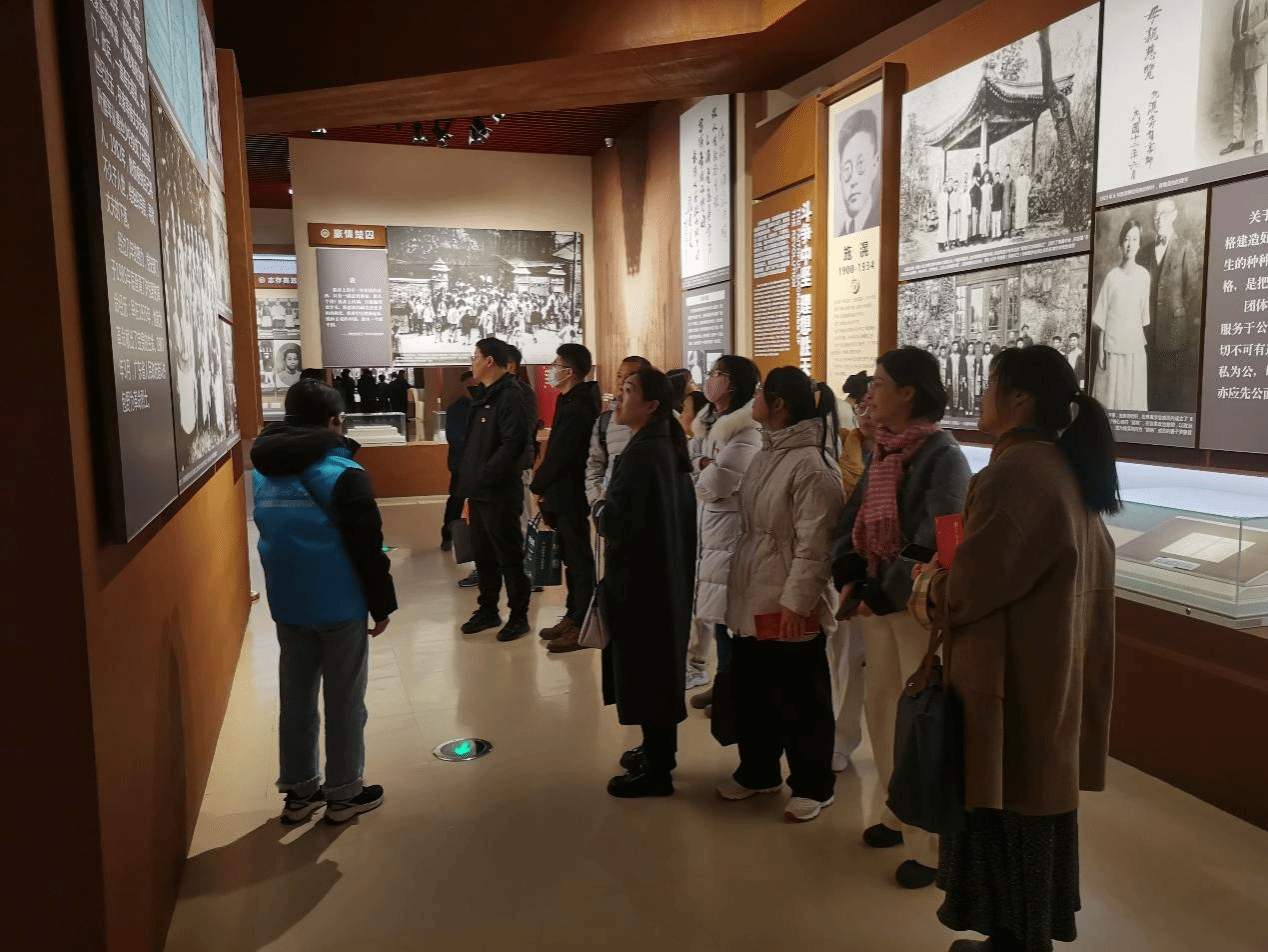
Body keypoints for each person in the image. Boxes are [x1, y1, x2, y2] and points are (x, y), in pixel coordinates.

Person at [911, 345, 1118, 952]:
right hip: (1044, 683)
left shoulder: (1018, 474)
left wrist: (926, 586)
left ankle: (1015, 943)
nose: (980, 395)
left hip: (1012, 692)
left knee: (1006, 815)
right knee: (1029, 818)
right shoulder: (1061, 466)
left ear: (1020, 397)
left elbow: (969, 589)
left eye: (991, 383)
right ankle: (1013, 940)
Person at [831, 346, 971, 890]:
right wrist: (850, 568)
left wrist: (882, 589)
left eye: (881, 384)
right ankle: (898, 809)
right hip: (876, 602)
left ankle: (930, 845)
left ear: (909, 392)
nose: (871, 395)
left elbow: (943, 540)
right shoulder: (886, 448)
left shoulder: (943, 456)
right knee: (882, 712)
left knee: (916, 723)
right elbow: (855, 516)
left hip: (914, 611)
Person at [251, 378, 396, 825]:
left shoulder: (262, 472)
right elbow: (368, 548)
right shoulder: (343, 474)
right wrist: (382, 604)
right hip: (339, 604)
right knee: (344, 700)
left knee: (295, 698)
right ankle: (345, 793)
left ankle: (299, 792)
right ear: (335, 422)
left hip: (288, 603)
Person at [718, 368, 845, 822]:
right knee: (754, 690)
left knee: (800, 697)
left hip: (786, 602)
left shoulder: (812, 465)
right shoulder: (767, 453)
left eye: (760, 392)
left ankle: (813, 784)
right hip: (753, 593)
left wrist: (797, 603)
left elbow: (815, 545)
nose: (753, 398)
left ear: (779, 404)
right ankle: (758, 771)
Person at [600, 369, 697, 798]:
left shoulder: (644, 453)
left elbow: (618, 520)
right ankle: (658, 752)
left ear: (652, 405)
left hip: (642, 584)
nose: (618, 399)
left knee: (647, 671)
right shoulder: (660, 444)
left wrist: (599, 511)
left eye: (628, 391)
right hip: (661, 578)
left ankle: (657, 772)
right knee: (658, 668)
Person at [685, 356, 762, 717]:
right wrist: (704, 466)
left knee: (733, 620)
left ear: (733, 383)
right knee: (717, 615)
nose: (711, 378)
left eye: (718, 373)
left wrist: (702, 469)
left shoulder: (747, 429)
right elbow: (690, 462)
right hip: (710, 530)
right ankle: (723, 684)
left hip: (732, 531)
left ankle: (735, 692)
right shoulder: (708, 422)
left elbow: (718, 484)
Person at [458, 338, 534, 642]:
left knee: (508, 555)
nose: (472, 363)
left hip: (499, 491)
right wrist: (471, 482)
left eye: (475, 357)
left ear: (489, 360)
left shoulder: (511, 394)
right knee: (484, 555)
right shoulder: (485, 395)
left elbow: (513, 444)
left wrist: (485, 474)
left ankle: (519, 616)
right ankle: (488, 609)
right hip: (479, 491)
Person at [532, 345, 603, 652]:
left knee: (578, 559)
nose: (551, 370)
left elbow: (562, 453)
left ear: (569, 371)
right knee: (570, 559)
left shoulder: (579, 407)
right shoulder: (569, 400)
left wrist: (538, 482)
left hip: (571, 492)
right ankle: (573, 614)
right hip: (561, 492)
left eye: (556, 365)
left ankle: (583, 623)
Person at [832, 372, 875, 774]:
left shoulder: (930, 454)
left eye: (877, 396)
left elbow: (946, 525)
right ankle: (839, 739)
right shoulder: (846, 443)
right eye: (864, 400)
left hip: (894, 582)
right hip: (849, 571)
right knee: (844, 659)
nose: (866, 406)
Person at [1137, 198, 1202, 411]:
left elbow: (1192, 291)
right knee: (1148, 388)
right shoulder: (1144, 251)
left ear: (1174, 215)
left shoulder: (1184, 247)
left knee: (1171, 391)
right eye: (1155, 214)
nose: (1159, 218)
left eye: (1164, 213)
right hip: (1147, 331)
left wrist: (1177, 315)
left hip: (1175, 332)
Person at [1091, 218, 1151, 411]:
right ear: (1120, 243)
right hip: (1112, 350)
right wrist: (1101, 351)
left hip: (1134, 350)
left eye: (1134, 239)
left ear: (1139, 243)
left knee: (1132, 401)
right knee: (1110, 402)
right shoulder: (1112, 277)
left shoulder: (1144, 276)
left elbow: (1143, 317)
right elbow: (1101, 318)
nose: (1130, 244)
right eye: (1126, 239)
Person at [585, 355, 653, 518]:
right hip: (612, 508)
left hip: (648, 510)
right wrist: (597, 502)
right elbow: (595, 464)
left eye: (630, 376)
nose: (622, 382)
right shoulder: (606, 420)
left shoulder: (663, 418)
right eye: (619, 376)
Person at [681, 389, 715, 689]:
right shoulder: (691, 443)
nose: (682, 414)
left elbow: (706, 483)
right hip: (694, 531)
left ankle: (698, 664)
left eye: (686, 409)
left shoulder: (709, 441)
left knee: (703, 604)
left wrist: (700, 465)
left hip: (709, 534)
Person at [506, 345, 541, 544]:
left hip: (518, 465)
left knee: (522, 519)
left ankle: (526, 558)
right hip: (506, 467)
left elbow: (523, 432)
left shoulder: (523, 393)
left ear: (511, 366)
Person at [441, 371, 475, 553]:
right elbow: (454, 437)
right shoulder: (457, 407)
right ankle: (447, 536)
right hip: (461, 464)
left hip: (477, 464)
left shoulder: (481, 405)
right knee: (456, 500)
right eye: (470, 385)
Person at [836, 106, 881, 235]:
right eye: (847, 169)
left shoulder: (881, 221)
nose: (853, 181)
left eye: (860, 164)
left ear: (874, 164)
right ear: (840, 177)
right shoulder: (840, 236)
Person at [936, 181, 950, 252]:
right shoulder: (940, 195)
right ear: (942, 186)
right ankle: (939, 246)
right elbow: (939, 206)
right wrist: (939, 214)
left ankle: (943, 246)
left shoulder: (947, 194)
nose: (945, 186)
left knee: (944, 230)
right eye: (944, 185)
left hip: (946, 214)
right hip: (941, 215)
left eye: (946, 185)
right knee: (941, 230)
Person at [1002, 164, 1015, 237]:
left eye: (1008, 170)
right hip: (1003, 201)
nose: (1006, 171)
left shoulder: (1011, 180)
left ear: (1010, 171)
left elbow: (1013, 192)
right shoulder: (1003, 180)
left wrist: (1011, 201)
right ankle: (1003, 231)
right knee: (1004, 216)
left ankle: (1009, 232)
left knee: (1009, 216)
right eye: (1005, 170)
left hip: (1008, 201)